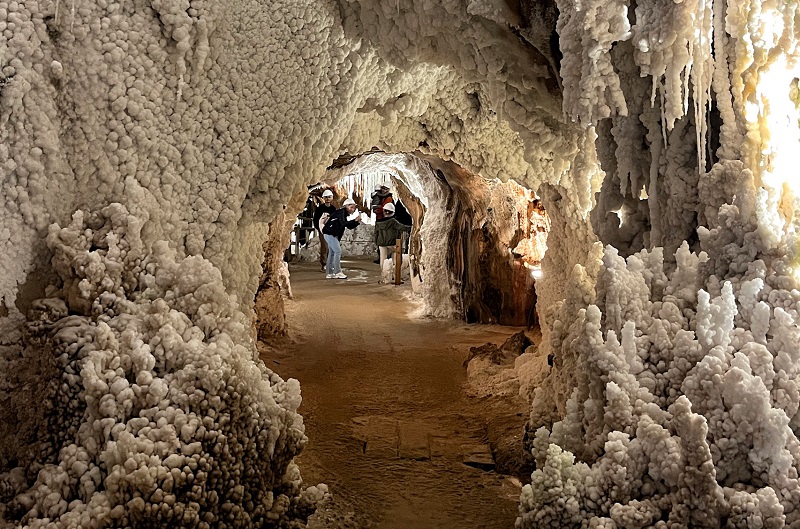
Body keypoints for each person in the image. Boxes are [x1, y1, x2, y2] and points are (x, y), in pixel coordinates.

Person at [321, 198, 362, 279]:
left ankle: (330, 273)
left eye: (354, 208)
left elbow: (348, 226)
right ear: (346, 206)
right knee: (338, 251)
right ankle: (337, 272)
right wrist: (355, 220)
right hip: (330, 234)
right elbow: (344, 223)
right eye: (351, 207)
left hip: (331, 234)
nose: (353, 210)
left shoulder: (343, 214)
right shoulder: (341, 212)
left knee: (332, 253)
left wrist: (356, 222)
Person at [374, 202, 411, 282]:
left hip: (381, 243)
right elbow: (401, 227)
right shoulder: (393, 221)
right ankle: (395, 275)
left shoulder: (378, 222)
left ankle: (385, 275)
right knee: (395, 260)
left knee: (383, 259)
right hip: (392, 243)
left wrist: (377, 242)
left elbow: (376, 233)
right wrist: (412, 227)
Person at [313, 189, 337, 272]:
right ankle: (324, 264)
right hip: (322, 230)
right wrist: (319, 228)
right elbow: (315, 219)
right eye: (326, 197)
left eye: (329, 197)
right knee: (324, 247)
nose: (327, 199)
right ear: (323, 198)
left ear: (332, 198)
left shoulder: (333, 209)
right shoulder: (320, 209)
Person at [370, 183, 394, 263]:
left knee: (383, 239)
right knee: (379, 238)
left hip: (385, 220)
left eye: (386, 189)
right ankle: (381, 256)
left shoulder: (388, 198)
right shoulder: (381, 197)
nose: (384, 190)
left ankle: (385, 257)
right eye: (383, 188)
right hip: (380, 219)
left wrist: (378, 208)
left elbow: (385, 208)